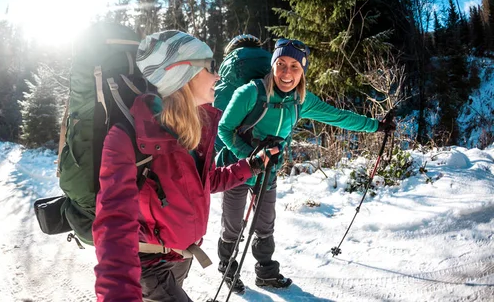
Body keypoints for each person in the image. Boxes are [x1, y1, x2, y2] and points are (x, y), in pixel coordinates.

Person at [92, 30, 279, 302]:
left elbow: (207, 182)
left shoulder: (192, 131)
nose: (218, 76)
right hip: (148, 265)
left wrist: (252, 165)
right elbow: (113, 229)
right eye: (210, 67)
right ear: (182, 72)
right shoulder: (127, 138)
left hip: (179, 258)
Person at [215, 38, 396, 293]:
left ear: (303, 71)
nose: (287, 73)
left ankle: (266, 272)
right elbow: (224, 128)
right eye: (281, 64)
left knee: (265, 225)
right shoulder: (250, 93)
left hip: (269, 172)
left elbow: (339, 116)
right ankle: (227, 266)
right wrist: (250, 157)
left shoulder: (302, 100)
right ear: (272, 65)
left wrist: (376, 125)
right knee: (233, 225)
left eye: (294, 67)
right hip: (237, 169)